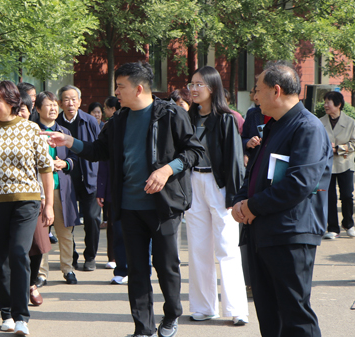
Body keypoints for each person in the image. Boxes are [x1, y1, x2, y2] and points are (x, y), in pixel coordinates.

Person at [42, 61, 204, 337]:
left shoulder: (171, 115)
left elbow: (194, 152)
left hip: (164, 206)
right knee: (136, 269)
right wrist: (68, 143)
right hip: (128, 207)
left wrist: (166, 170)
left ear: (138, 88)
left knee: (166, 265)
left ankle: (171, 314)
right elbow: (97, 151)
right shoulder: (118, 121)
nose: (116, 91)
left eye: (120, 86)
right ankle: (143, 328)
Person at [231, 61, 332, 337]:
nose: (254, 96)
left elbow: (299, 183)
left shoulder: (307, 128)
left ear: (276, 91)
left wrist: (252, 206)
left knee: (295, 316)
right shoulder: (274, 126)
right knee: (270, 315)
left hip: (290, 234)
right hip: (263, 232)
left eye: (258, 90)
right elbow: (255, 173)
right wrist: (241, 201)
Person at [0, 80, 54, 336]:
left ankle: (21, 317)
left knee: (19, 252)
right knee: (0, 257)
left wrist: (49, 204)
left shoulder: (31, 130)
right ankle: (5, 313)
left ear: (11, 101)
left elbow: (46, 170)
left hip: (27, 202)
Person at [185, 66, 249, 325]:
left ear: (212, 88)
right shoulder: (187, 117)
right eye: (191, 84)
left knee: (227, 247)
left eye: (199, 84)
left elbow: (235, 160)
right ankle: (203, 306)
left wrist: (234, 196)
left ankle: (237, 309)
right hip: (193, 182)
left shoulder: (225, 118)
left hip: (219, 184)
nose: (193, 89)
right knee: (198, 248)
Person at [34, 91, 80, 286]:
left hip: (62, 188)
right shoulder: (32, 131)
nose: (53, 108)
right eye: (48, 104)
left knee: (65, 232)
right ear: (37, 109)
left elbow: (75, 158)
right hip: (39, 190)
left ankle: (68, 269)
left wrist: (65, 163)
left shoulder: (64, 132)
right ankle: (41, 273)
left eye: (55, 104)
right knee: (41, 233)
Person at [55, 85, 101, 272]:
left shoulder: (90, 121)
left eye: (74, 99)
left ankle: (90, 256)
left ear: (80, 102)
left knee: (92, 218)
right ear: (60, 103)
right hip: (67, 179)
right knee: (69, 220)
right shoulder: (57, 123)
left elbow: (99, 149)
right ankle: (71, 255)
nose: (70, 103)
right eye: (66, 99)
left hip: (90, 177)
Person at [17, 91, 52, 306]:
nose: (21, 113)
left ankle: (31, 283)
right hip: (10, 199)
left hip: (36, 197)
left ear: (31, 110)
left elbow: (46, 168)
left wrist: (48, 203)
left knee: (38, 246)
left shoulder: (37, 133)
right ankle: (19, 288)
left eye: (24, 108)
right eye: (17, 108)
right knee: (16, 248)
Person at [96, 96, 129, 284]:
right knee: (117, 228)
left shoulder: (150, 120)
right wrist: (101, 190)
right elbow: (102, 159)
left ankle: (138, 268)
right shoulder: (111, 126)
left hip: (142, 187)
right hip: (115, 187)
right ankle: (120, 267)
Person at [320, 91, 355, 239]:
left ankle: (349, 224)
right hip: (327, 165)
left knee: (347, 195)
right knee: (329, 197)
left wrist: (338, 149)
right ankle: (333, 228)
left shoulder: (350, 122)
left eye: (328, 102)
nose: (325, 105)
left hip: (345, 163)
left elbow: (354, 143)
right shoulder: (320, 122)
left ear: (338, 104)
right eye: (325, 102)